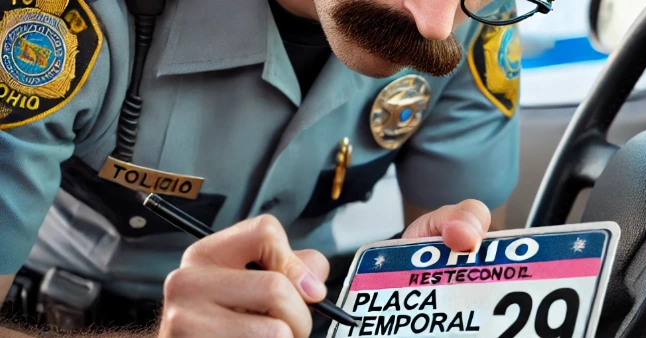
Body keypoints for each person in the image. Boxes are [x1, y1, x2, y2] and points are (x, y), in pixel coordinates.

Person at [0, 0, 533, 336]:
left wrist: (419, 283)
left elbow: (472, 286)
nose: (437, 25)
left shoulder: (481, 23)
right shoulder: (50, 23)